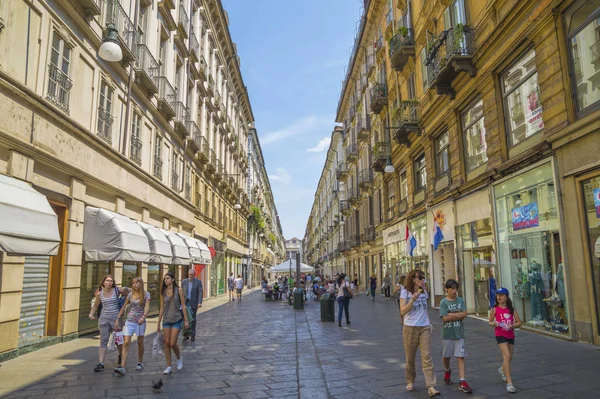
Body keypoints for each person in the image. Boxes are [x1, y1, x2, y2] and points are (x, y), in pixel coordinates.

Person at [400, 269, 440, 397]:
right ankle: (410, 380)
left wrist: (429, 323)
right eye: (419, 278)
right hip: (410, 327)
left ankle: (431, 386)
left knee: (427, 356)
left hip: (424, 327)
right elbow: (402, 312)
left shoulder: (424, 293)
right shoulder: (405, 292)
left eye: (423, 278)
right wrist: (412, 300)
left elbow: (424, 310)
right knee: (410, 358)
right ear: (413, 279)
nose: (422, 280)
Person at [88, 275, 130, 372]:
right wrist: (91, 314)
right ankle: (101, 363)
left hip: (116, 319)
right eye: (107, 281)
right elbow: (95, 305)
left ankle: (120, 355)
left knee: (118, 341)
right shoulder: (100, 294)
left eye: (111, 281)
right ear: (103, 282)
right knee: (103, 340)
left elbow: (131, 291)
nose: (109, 282)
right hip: (104, 319)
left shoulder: (117, 290)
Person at [439, 279, 472, 393]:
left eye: (456, 288)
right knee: (446, 356)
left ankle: (462, 381)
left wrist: (451, 314)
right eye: (452, 288)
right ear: (446, 289)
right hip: (447, 334)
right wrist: (458, 314)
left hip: (459, 333)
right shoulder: (443, 302)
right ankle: (447, 370)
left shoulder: (460, 300)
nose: (454, 291)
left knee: (460, 356)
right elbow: (445, 318)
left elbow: (464, 314)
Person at [489, 287, 522, 393]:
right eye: (497, 295)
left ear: (506, 297)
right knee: (507, 356)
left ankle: (502, 369)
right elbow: (490, 322)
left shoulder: (511, 309)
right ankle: (509, 383)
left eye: (501, 295)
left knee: (509, 358)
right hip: (500, 334)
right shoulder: (494, 309)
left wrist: (512, 325)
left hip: (510, 334)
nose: (499, 297)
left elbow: (519, 323)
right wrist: (493, 323)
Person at [114, 277, 150, 375]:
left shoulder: (146, 294)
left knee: (140, 342)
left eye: (137, 283)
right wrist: (117, 318)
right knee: (126, 342)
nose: (135, 285)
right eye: (133, 283)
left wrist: (144, 316)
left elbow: (147, 307)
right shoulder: (130, 295)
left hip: (140, 321)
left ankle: (140, 362)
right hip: (130, 320)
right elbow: (124, 306)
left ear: (141, 283)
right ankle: (122, 367)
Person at [157, 272, 189, 375]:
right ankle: (169, 366)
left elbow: (183, 305)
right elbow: (161, 308)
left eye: (168, 278)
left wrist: (186, 320)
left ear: (173, 280)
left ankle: (179, 358)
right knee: (166, 343)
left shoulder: (179, 290)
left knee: (172, 343)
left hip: (177, 319)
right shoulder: (163, 292)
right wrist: (158, 323)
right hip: (166, 320)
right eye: (165, 279)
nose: (166, 280)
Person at [181, 269, 203, 342]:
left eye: (192, 275)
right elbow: (181, 292)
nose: (190, 276)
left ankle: (192, 334)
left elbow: (200, 293)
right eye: (189, 274)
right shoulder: (184, 282)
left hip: (193, 303)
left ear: (194, 275)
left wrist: (200, 302)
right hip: (185, 302)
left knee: (192, 319)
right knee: (185, 319)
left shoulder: (198, 282)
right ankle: (186, 335)